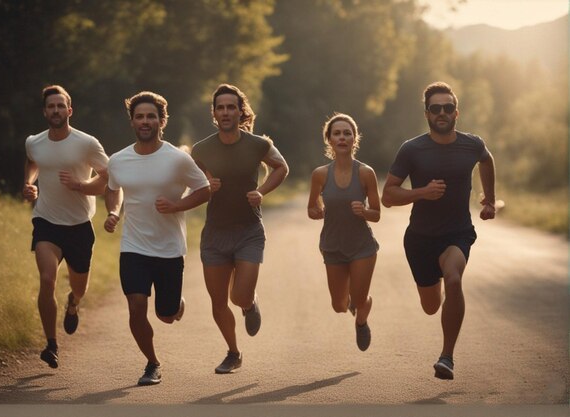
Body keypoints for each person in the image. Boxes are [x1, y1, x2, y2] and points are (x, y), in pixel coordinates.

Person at [381, 81, 496, 380]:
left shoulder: (472, 144)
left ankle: (447, 357)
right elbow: (388, 196)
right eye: (435, 108)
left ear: (456, 113)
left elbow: (487, 159)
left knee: (454, 279)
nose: (441, 113)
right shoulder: (412, 149)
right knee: (431, 306)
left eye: (447, 108)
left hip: (457, 233)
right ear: (427, 114)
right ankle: (440, 299)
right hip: (420, 239)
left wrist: (490, 199)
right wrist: (422, 192)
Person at [104, 91, 210, 386]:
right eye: (140, 116)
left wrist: (177, 206)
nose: (145, 121)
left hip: (169, 249)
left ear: (162, 120)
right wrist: (114, 212)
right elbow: (113, 188)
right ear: (132, 121)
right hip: (134, 247)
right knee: (136, 307)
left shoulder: (177, 158)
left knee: (165, 314)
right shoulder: (118, 160)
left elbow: (204, 189)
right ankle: (152, 363)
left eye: (151, 116)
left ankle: (175, 305)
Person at [191, 84, 289, 374]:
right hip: (215, 234)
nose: (225, 112)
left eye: (230, 107)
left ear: (240, 111)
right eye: (220, 107)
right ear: (214, 113)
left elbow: (282, 167)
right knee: (219, 301)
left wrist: (262, 191)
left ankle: (249, 304)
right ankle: (233, 353)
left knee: (239, 297)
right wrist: (205, 183)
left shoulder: (258, 144)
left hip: (248, 230)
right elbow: (191, 174)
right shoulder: (202, 148)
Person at [23, 85, 109, 369]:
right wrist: (29, 183)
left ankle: (73, 303)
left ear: (69, 111)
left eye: (61, 106)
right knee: (47, 279)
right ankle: (51, 345)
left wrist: (80, 186)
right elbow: (33, 162)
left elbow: (108, 178)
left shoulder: (86, 144)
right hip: (46, 221)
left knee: (79, 287)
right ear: (45, 111)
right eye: (51, 106)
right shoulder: (34, 142)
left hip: (79, 226)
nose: (56, 111)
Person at [307, 113, 380, 351]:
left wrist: (364, 211)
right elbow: (312, 208)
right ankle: (353, 307)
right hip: (333, 246)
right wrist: (316, 211)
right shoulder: (320, 174)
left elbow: (377, 214)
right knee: (339, 305)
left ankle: (361, 320)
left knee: (359, 301)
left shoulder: (366, 173)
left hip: (362, 247)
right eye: (337, 133)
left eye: (347, 133)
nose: (342, 137)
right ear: (329, 139)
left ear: (354, 138)